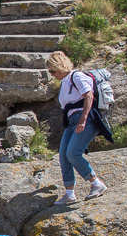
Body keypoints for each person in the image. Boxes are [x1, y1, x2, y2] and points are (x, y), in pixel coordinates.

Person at [45, 51, 109, 206]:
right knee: (63, 155)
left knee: (73, 153)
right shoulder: (65, 81)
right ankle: (69, 193)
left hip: (85, 119)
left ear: (60, 67)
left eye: (52, 71)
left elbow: (89, 96)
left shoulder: (77, 76)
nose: (52, 75)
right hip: (72, 121)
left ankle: (96, 184)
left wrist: (83, 119)